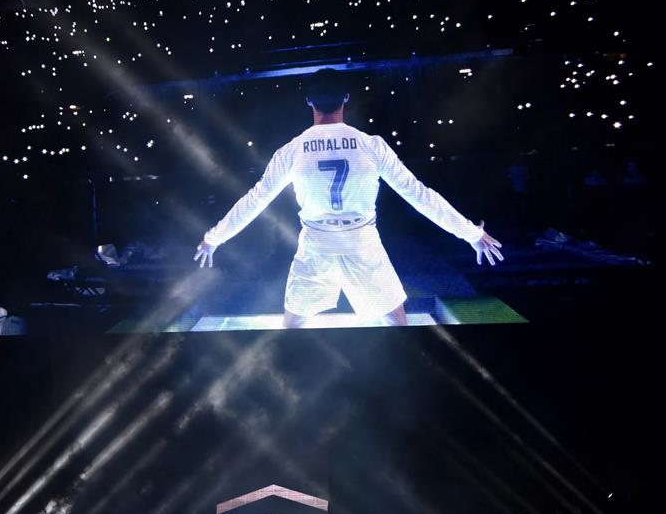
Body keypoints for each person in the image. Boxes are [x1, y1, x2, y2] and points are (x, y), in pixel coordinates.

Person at [195, 68, 502, 327]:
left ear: (308, 101)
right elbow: (419, 195)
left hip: (316, 244)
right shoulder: (371, 145)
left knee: (292, 330)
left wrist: (214, 238)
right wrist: (471, 234)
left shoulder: (292, 150)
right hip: (361, 242)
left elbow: (255, 200)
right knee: (400, 326)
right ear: (346, 98)